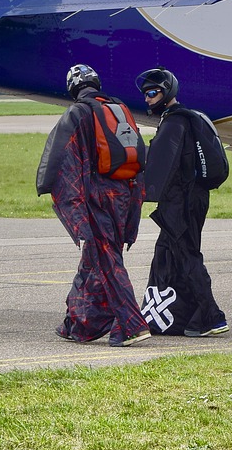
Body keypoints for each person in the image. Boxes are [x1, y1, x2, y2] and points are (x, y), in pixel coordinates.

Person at [37, 64, 150, 347]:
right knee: (95, 261)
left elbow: (64, 161)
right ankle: (78, 324)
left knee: (107, 262)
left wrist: (74, 210)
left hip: (97, 199)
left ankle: (131, 325)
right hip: (124, 197)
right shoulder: (119, 109)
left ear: (73, 88)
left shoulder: (78, 113)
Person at [136, 67, 228, 337]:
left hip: (182, 202)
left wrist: (141, 194)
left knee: (187, 256)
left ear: (167, 92)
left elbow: (161, 166)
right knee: (171, 253)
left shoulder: (174, 122)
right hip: (193, 198)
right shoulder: (185, 118)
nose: (148, 98)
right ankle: (184, 316)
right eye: (146, 94)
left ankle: (213, 316)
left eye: (153, 93)